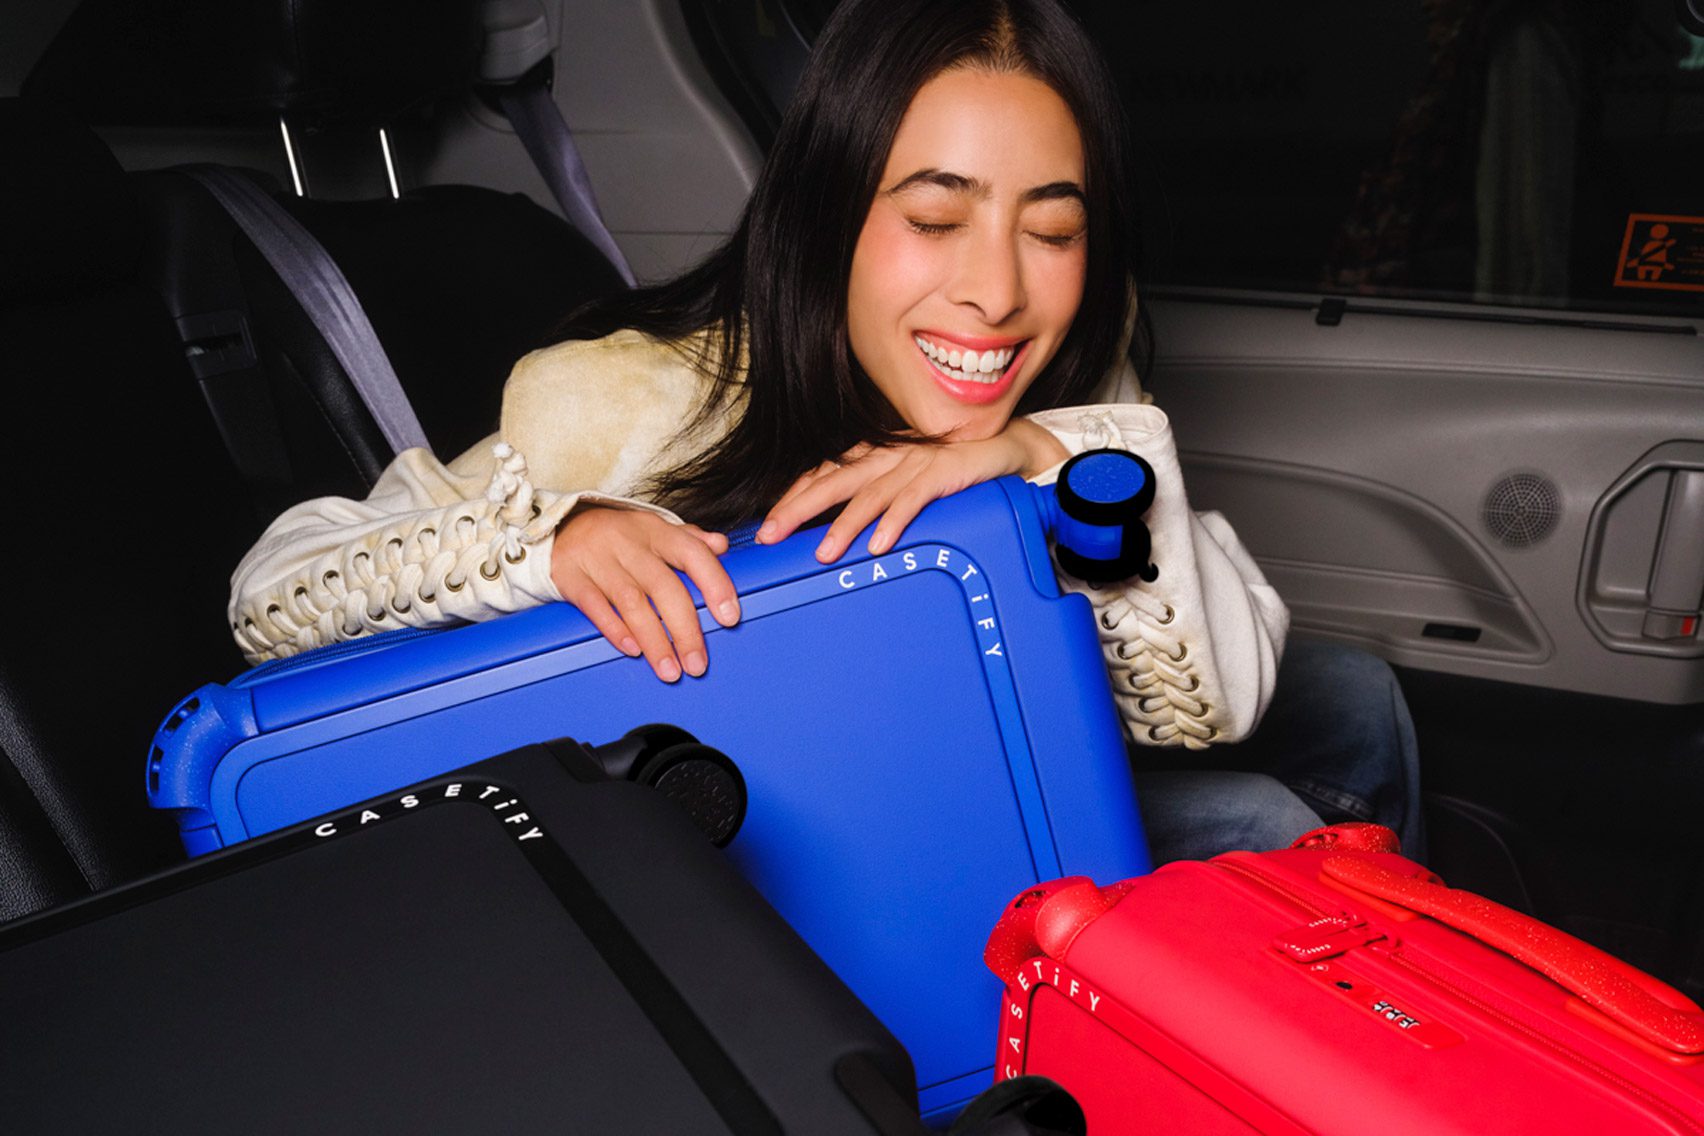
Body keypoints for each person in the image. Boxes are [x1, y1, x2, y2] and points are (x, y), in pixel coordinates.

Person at [228, 0, 1418, 862]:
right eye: (937, 218)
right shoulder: (630, 401)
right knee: (1264, 825)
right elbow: (270, 596)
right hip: (805, 853)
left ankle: (1392, 979)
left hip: (990, 737)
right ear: (828, 216)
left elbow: (1202, 703)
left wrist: (1041, 467)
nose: (998, 294)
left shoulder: (1067, 377)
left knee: (1356, 695)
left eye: (1051, 230)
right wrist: (554, 541)